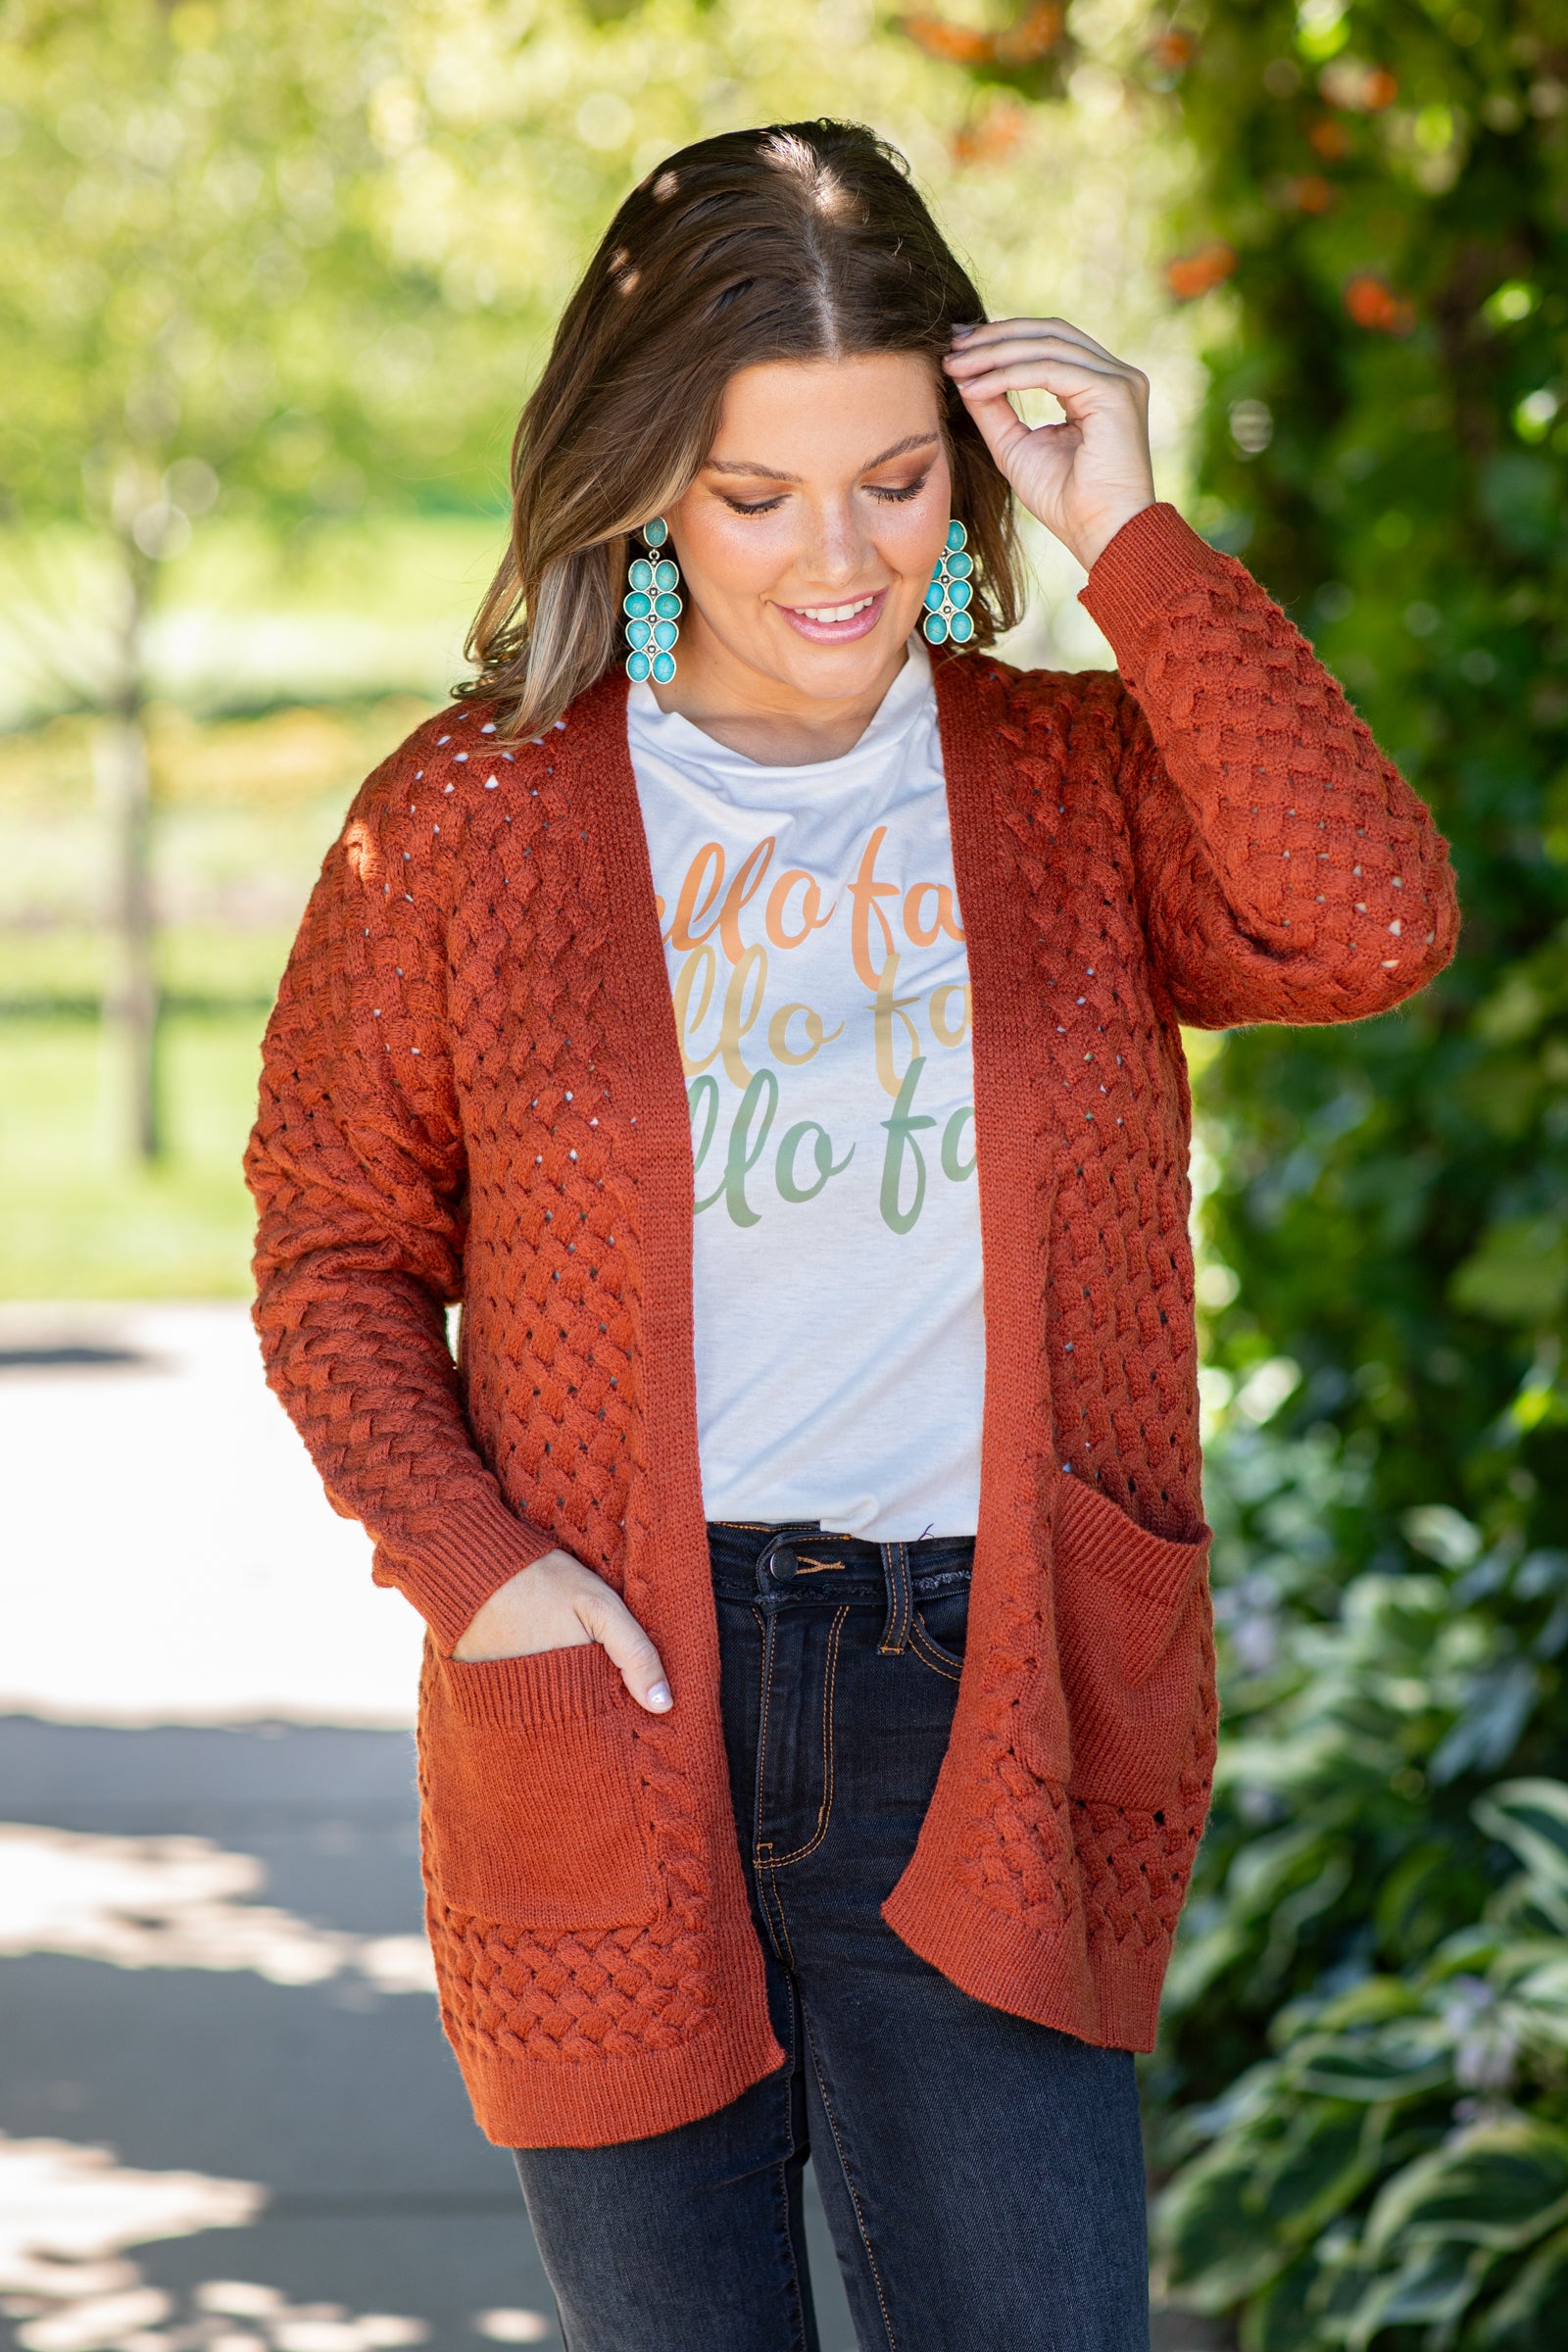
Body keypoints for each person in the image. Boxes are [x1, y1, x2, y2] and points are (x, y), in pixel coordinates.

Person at [246, 120, 1459, 2352]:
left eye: (897, 480)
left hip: (981, 1682)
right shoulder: (468, 819)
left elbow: (1367, 914)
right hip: (607, 1676)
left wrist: (1128, 530)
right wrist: (482, 1575)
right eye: (753, 493)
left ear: (969, 460)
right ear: (639, 490)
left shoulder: (1070, 783)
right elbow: (330, 1254)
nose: (836, 558)